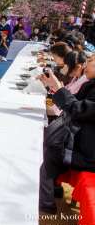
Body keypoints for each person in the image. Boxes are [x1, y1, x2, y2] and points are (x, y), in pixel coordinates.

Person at [38, 56, 95, 214]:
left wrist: (58, 88)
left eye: (90, 62)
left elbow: (77, 109)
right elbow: (73, 105)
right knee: (51, 144)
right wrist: (54, 88)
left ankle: (46, 204)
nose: (85, 65)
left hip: (89, 153)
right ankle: (54, 189)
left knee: (47, 156)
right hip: (84, 142)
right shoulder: (90, 84)